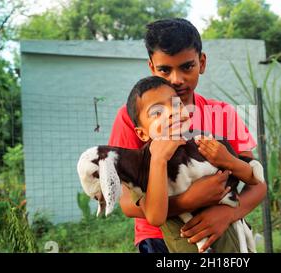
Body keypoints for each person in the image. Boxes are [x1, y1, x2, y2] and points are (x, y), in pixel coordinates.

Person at [108, 18, 267, 253]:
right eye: (165, 69)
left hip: (222, 232)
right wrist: (188, 201)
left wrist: (229, 212)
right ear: (152, 67)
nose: (176, 79)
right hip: (158, 239)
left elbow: (257, 183)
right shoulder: (131, 118)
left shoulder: (222, 114)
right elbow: (127, 203)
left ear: (201, 63)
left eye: (186, 66)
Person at [125, 75, 262, 252]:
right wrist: (159, 161)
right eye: (157, 112)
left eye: (176, 104)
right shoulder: (142, 167)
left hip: (233, 246)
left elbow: (253, 177)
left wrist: (228, 160)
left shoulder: (206, 143)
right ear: (142, 134)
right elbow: (155, 216)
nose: (172, 112)